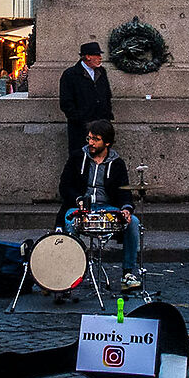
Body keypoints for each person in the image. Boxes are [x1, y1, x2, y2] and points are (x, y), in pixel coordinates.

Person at [58, 120, 143, 292]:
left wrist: (126, 208)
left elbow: (123, 191)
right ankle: (67, 273)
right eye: (89, 138)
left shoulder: (117, 163)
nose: (90, 143)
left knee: (133, 223)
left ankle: (127, 274)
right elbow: (64, 185)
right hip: (81, 207)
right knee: (69, 222)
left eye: (95, 139)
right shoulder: (77, 157)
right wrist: (78, 199)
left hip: (107, 209)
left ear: (107, 142)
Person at [59, 41, 117, 161]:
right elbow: (66, 102)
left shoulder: (101, 72)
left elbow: (107, 95)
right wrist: (80, 120)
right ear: (87, 56)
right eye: (97, 55)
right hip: (81, 128)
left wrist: (106, 119)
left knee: (101, 159)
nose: (100, 58)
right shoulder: (71, 74)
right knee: (80, 160)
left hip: (101, 126)